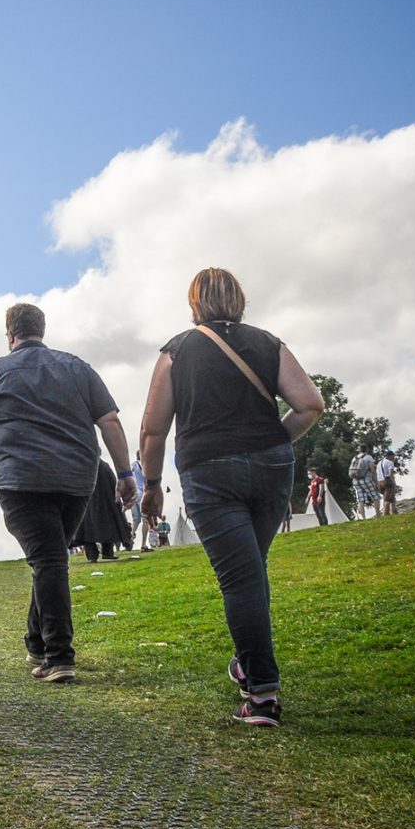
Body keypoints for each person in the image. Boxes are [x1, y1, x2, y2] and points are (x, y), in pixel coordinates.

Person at [139, 268, 324, 727]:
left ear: (194, 304)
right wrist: (274, 441)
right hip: (271, 467)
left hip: (208, 469)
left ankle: (262, 694)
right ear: (239, 300)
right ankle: (246, 665)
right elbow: (310, 405)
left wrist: (150, 485)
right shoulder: (268, 343)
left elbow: (153, 429)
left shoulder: (177, 350)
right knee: (251, 570)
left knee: (240, 579)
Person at [0, 303, 135, 683]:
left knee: (50, 561)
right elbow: (110, 421)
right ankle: (36, 642)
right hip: (76, 480)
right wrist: (124, 473)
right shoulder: (77, 367)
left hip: (22, 481)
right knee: (49, 557)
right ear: (42, 329)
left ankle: (58, 656)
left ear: (10, 335)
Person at [349, 444, 378, 519]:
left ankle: (363, 518)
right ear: (367, 450)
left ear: (359, 450)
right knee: (375, 497)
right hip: (366, 479)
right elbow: (372, 470)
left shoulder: (354, 458)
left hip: (355, 480)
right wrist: (376, 480)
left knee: (360, 500)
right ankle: (378, 515)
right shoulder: (369, 457)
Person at [376, 450, 399, 515]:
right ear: (390, 456)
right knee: (387, 500)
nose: (393, 458)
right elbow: (390, 474)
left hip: (379, 482)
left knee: (389, 497)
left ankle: (394, 510)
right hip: (387, 481)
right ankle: (386, 514)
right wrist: (394, 483)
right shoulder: (390, 463)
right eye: (393, 457)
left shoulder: (379, 463)